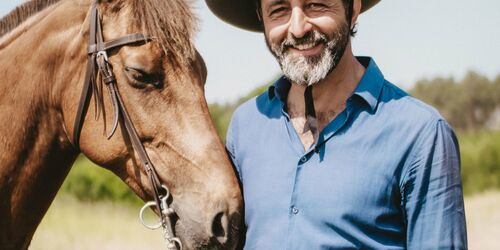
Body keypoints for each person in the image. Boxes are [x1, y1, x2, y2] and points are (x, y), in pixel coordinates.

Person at [206, 0, 468, 248]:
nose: (298, 29)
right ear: (261, 17)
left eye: (316, 5)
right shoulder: (245, 126)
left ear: (352, 9)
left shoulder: (420, 134)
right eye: (279, 9)